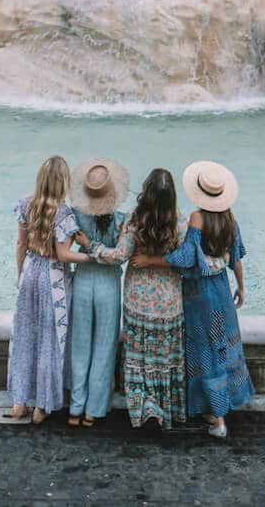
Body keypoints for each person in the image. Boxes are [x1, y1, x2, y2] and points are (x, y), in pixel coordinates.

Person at [131, 160, 253, 440]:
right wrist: (242, 288)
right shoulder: (230, 219)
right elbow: (237, 257)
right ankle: (222, 406)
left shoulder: (197, 218)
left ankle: (217, 418)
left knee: (205, 353)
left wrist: (150, 259)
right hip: (222, 290)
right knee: (223, 347)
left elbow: (187, 259)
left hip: (200, 295)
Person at [90, 168, 188, 430]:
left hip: (137, 301)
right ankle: (164, 407)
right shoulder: (180, 222)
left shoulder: (136, 220)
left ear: (146, 191)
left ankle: (143, 406)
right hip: (168, 303)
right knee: (163, 358)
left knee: (140, 357)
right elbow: (186, 261)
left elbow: (120, 256)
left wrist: (91, 247)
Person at [8, 156, 92, 424]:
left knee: (24, 336)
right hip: (54, 278)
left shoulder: (25, 204)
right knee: (50, 341)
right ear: (63, 182)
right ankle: (42, 406)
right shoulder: (64, 213)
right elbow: (63, 255)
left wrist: (21, 275)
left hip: (31, 271)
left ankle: (19, 402)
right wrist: (92, 257)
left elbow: (21, 244)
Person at [66, 159, 129, 427]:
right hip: (108, 285)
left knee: (80, 345)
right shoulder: (122, 221)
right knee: (104, 347)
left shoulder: (74, 216)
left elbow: (65, 251)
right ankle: (93, 410)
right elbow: (120, 258)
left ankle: (75, 408)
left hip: (82, 280)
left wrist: (86, 246)